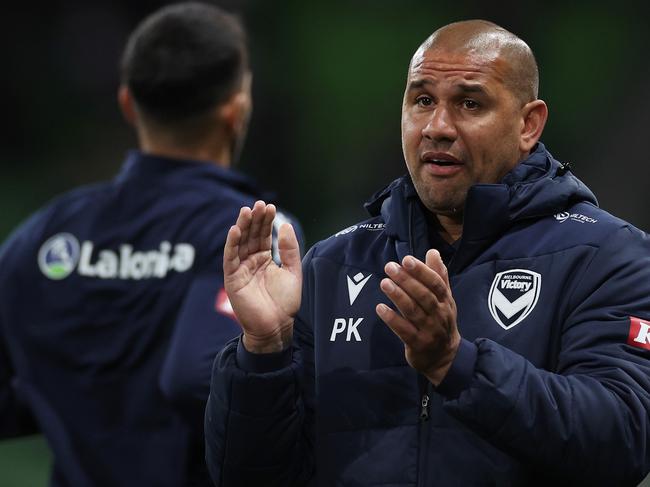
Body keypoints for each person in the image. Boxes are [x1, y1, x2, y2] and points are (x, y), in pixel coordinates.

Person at [204, 19, 650, 486]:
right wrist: (263, 352)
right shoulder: (333, 264)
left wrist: (455, 364)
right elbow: (248, 474)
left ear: (528, 124)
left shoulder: (607, 256)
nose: (438, 127)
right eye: (422, 101)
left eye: (470, 104)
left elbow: (624, 439)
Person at [0, 3, 302, 486]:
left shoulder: (44, 235)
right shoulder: (253, 231)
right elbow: (194, 378)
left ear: (127, 103)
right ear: (236, 107)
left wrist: (75, 404)